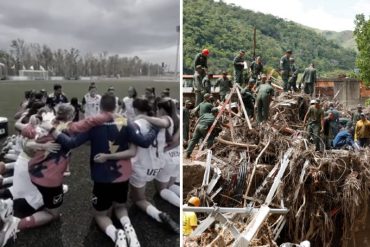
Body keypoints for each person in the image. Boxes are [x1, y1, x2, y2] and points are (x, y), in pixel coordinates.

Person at [49, 94, 159, 247]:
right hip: (122, 175)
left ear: (100, 107)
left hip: (101, 177)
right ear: (116, 107)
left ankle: (116, 234)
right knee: (120, 206)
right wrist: (156, 127)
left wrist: (54, 131)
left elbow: (71, 143)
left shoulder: (94, 126)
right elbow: (144, 142)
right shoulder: (124, 121)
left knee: (100, 215)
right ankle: (129, 229)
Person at [93, 97, 180, 233]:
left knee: (138, 199)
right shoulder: (165, 122)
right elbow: (170, 140)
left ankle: (158, 214)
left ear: (135, 109)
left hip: (141, 166)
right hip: (157, 165)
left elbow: (129, 145)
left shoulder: (136, 123)